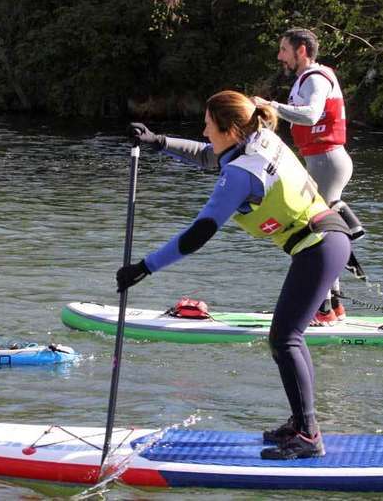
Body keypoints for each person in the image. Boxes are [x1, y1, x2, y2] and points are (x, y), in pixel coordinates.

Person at [119, 91, 352, 459]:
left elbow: (197, 235)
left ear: (229, 129)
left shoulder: (241, 174)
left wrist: (143, 268)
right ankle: (301, 424)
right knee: (287, 337)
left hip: (320, 246)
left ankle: (308, 436)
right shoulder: (259, 137)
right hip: (327, 240)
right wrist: (158, 142)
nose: (203, 129)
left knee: (285, 339)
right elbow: (207, 154)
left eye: (208, 124)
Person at [252, 27, 353, 326]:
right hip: (322, 161)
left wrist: (271, 106)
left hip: (327, 160)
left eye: (284, 49)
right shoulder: (305, 80)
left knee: (316, 235)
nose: (279, 56)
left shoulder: (316, 79)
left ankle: (323, 310)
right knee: (321, 233)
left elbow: (310, 115)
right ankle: (332, 309)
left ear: (302, 51)